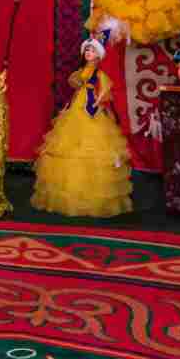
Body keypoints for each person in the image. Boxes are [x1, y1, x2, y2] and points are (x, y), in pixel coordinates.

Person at [31, 18, 133, 218]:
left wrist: (99, 101)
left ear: (99, 55)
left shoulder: (99, 74)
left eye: (92, 51)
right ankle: (69, 192)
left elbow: (106, 90)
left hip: (92, 108)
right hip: (78, 104)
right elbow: (75, 83)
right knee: (69, 141)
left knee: (94, 143)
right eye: (87, 51)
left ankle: (94, 196)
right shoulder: (82, 72)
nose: (89, 54)